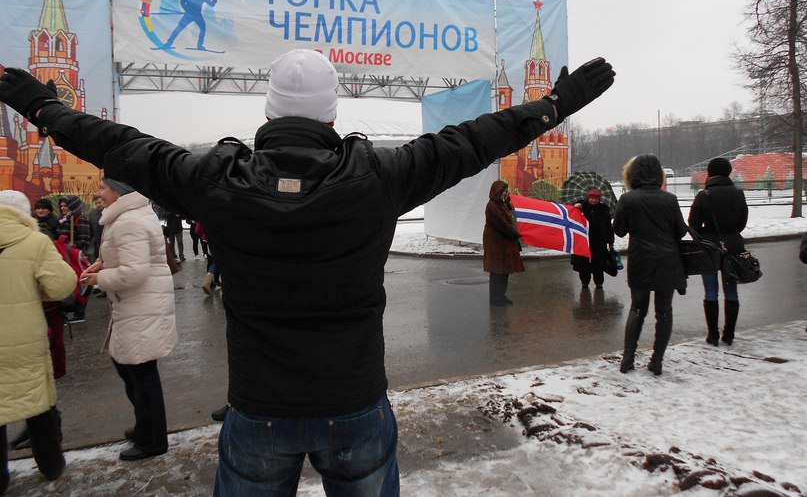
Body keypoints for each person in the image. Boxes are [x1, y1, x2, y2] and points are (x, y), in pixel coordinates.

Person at [0, 50, 614, 495]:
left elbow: (113, 142)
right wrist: (552, 106)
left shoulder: (212, 181)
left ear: (268, 112)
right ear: (330, 114)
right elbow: (478, 139)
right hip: (355, 403)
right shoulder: (381, 176)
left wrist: (39, 103)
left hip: (259, 407)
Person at [79, 176, 177, 461]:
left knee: (141, 374)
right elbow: (132, 259)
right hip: (136, 305)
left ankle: (153, 440)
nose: (98, 193)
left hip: (141, 306)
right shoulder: (125, 217)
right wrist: (105, 263)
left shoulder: (128, 221)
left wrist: (99, 278)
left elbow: (134, 272)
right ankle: (146, 427)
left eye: (102, 188)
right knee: (131, 370)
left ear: (118, 192)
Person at [0, 189, 77, 493]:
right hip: (24, 337)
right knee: (38, 403)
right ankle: (51, 464)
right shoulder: (35, 241)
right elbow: (60, 286)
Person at [613, 154, 688, 376]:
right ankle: (657, 360)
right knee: (664, 311)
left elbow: (619, 230)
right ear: (659, 174)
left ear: (632, 174)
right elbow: (681, 231)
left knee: (637, 308)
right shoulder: (670, 199)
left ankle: (628, 358)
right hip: (668, 261)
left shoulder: (628, 199)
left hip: (640, 260)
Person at [688, 157, 748, 346]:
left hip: (709, 247)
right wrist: (731, 233)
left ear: (710, 173)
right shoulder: (738, 194)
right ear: (729, 172)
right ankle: (729, 334)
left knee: (711, 291)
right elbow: (742, 222)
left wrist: (704, 238)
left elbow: (693, 224)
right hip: (733, 245)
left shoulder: (703, 196)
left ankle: (712, 334)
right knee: (731, 290)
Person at [482, 180, 524, 306]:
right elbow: (501, 224)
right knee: (497, 272)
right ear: (497, 192)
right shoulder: (492, 206)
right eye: (503, 191)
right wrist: (515, 233)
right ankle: (495, 298)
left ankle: (501, 296)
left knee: (504, 271)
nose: (505, 193)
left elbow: (507, 217)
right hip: (496, 245)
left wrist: (509, 204)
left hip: (504, 244)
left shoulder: (502, 204)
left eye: (506, 191)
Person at [571, 188, 615, 289]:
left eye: (596, 198)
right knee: (583, 264)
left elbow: (608, 226)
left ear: (599, 199)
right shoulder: (582, 207)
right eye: (591, 198)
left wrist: (610, 241)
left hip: (599, 242)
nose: (593, 200)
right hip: (583, 241)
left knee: (598, 265)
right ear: (588, 197)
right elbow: (572, 214)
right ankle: (584, 282)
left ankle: (599, 283)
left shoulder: (604, 209)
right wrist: (577, 205)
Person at [87, 194, 104, 262]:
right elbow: (90, 230)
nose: (98, 205)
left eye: (99, 202)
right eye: (96, 203)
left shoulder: (110, 212)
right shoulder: (92, 214)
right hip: (97, 243)